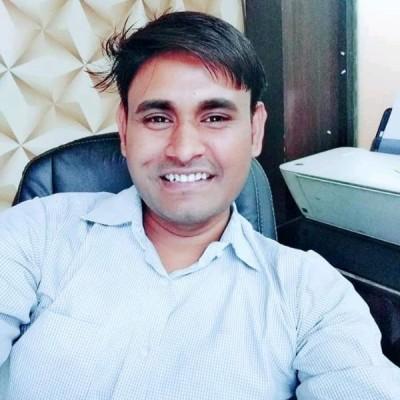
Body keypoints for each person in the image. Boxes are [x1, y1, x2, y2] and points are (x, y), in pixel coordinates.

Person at [0, 11, 399, 400]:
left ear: (255, 130)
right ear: (124, 129)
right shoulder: (40, 231)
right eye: (158, 118)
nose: (184, 150)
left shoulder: (309, 293)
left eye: (215, 117)